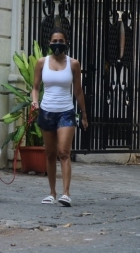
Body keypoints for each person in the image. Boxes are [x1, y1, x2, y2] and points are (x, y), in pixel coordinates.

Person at [31, 27, 88, 207]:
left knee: (64, 152)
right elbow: (35, 87)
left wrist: (84, 114)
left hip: (66, 112)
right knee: (50, 154)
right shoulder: (42, 62)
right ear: (49, 43)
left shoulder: (73, 64)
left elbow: (78, 91)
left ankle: (66, 194)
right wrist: (34, 101)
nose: (57, 44)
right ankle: (52, 193)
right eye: (54, 41)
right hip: (47, 111)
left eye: (61, 41)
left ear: (66, 43)